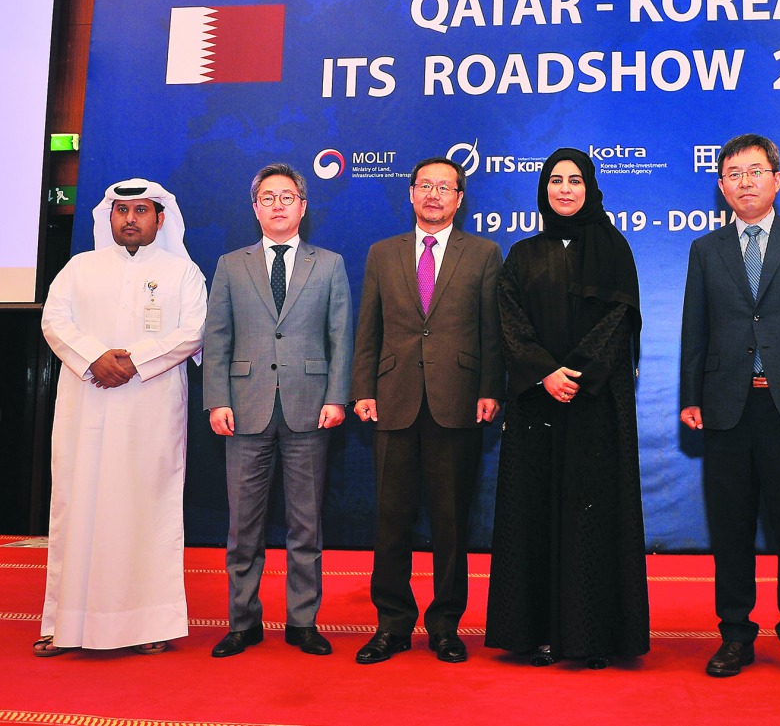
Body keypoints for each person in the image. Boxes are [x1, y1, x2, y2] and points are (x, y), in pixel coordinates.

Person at [679, 134, 780, 683]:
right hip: (727, 408)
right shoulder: (706, 250)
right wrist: (690, 398)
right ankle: (735, 637)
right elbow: (695, 330)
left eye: (755, 171)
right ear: (721, 185)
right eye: (734, 173)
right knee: (730, 533)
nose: (745, 181)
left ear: (777, 180)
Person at [485, 148, 650, 669]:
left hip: (595, 407)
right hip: (538, 406)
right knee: (533, 514)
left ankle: (591, 636)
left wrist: (575, 373)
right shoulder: (522, 255)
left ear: (590, 188)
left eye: (574, 181)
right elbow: (508, 322)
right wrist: (544, 373)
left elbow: (618, 318)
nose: (564, 190)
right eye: (555, 181)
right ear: (543, 190)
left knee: (591, 519)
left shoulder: (613, 249)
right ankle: (532, 634)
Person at [37, 178, 207, 657]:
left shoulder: (182, 273)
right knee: (77, 505)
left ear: (160, 218)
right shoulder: (78, 268)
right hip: (85, 405)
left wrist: (133, 360)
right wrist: (94, 357)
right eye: (121, 211)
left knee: (147, 509)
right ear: (108, 218)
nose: (130, 219)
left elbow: (194, 330)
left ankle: (149, 623)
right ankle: (63, 622)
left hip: (149, 409)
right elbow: (55, 320)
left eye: (141, 211)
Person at [351, 156, 503, 665]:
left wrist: (489, 389)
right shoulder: (381, 253)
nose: (434, 195)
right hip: (392, 400)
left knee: (450, 523)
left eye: (446, 187)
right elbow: (367, 328)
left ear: (460, 199)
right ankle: (391, 624)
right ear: (411, 194)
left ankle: (444, 626)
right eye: (425, 186)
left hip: (456, 402)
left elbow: (490, 331)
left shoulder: (483, 254)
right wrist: (362, 389)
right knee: (390, 521)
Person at [203, 163, 353, 658]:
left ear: (303, 206)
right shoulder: (231, 264)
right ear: (255, 208)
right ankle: (242, 622)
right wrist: (217, 400)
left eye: (287, 197)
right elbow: (218, 338)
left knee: (305, 524)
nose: (278, 205)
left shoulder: (329, 264)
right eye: (268, 198)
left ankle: (302, 622)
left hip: (310, 409)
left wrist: (336, 397)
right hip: (244, 409)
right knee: (243, 524)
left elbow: (339, 338)